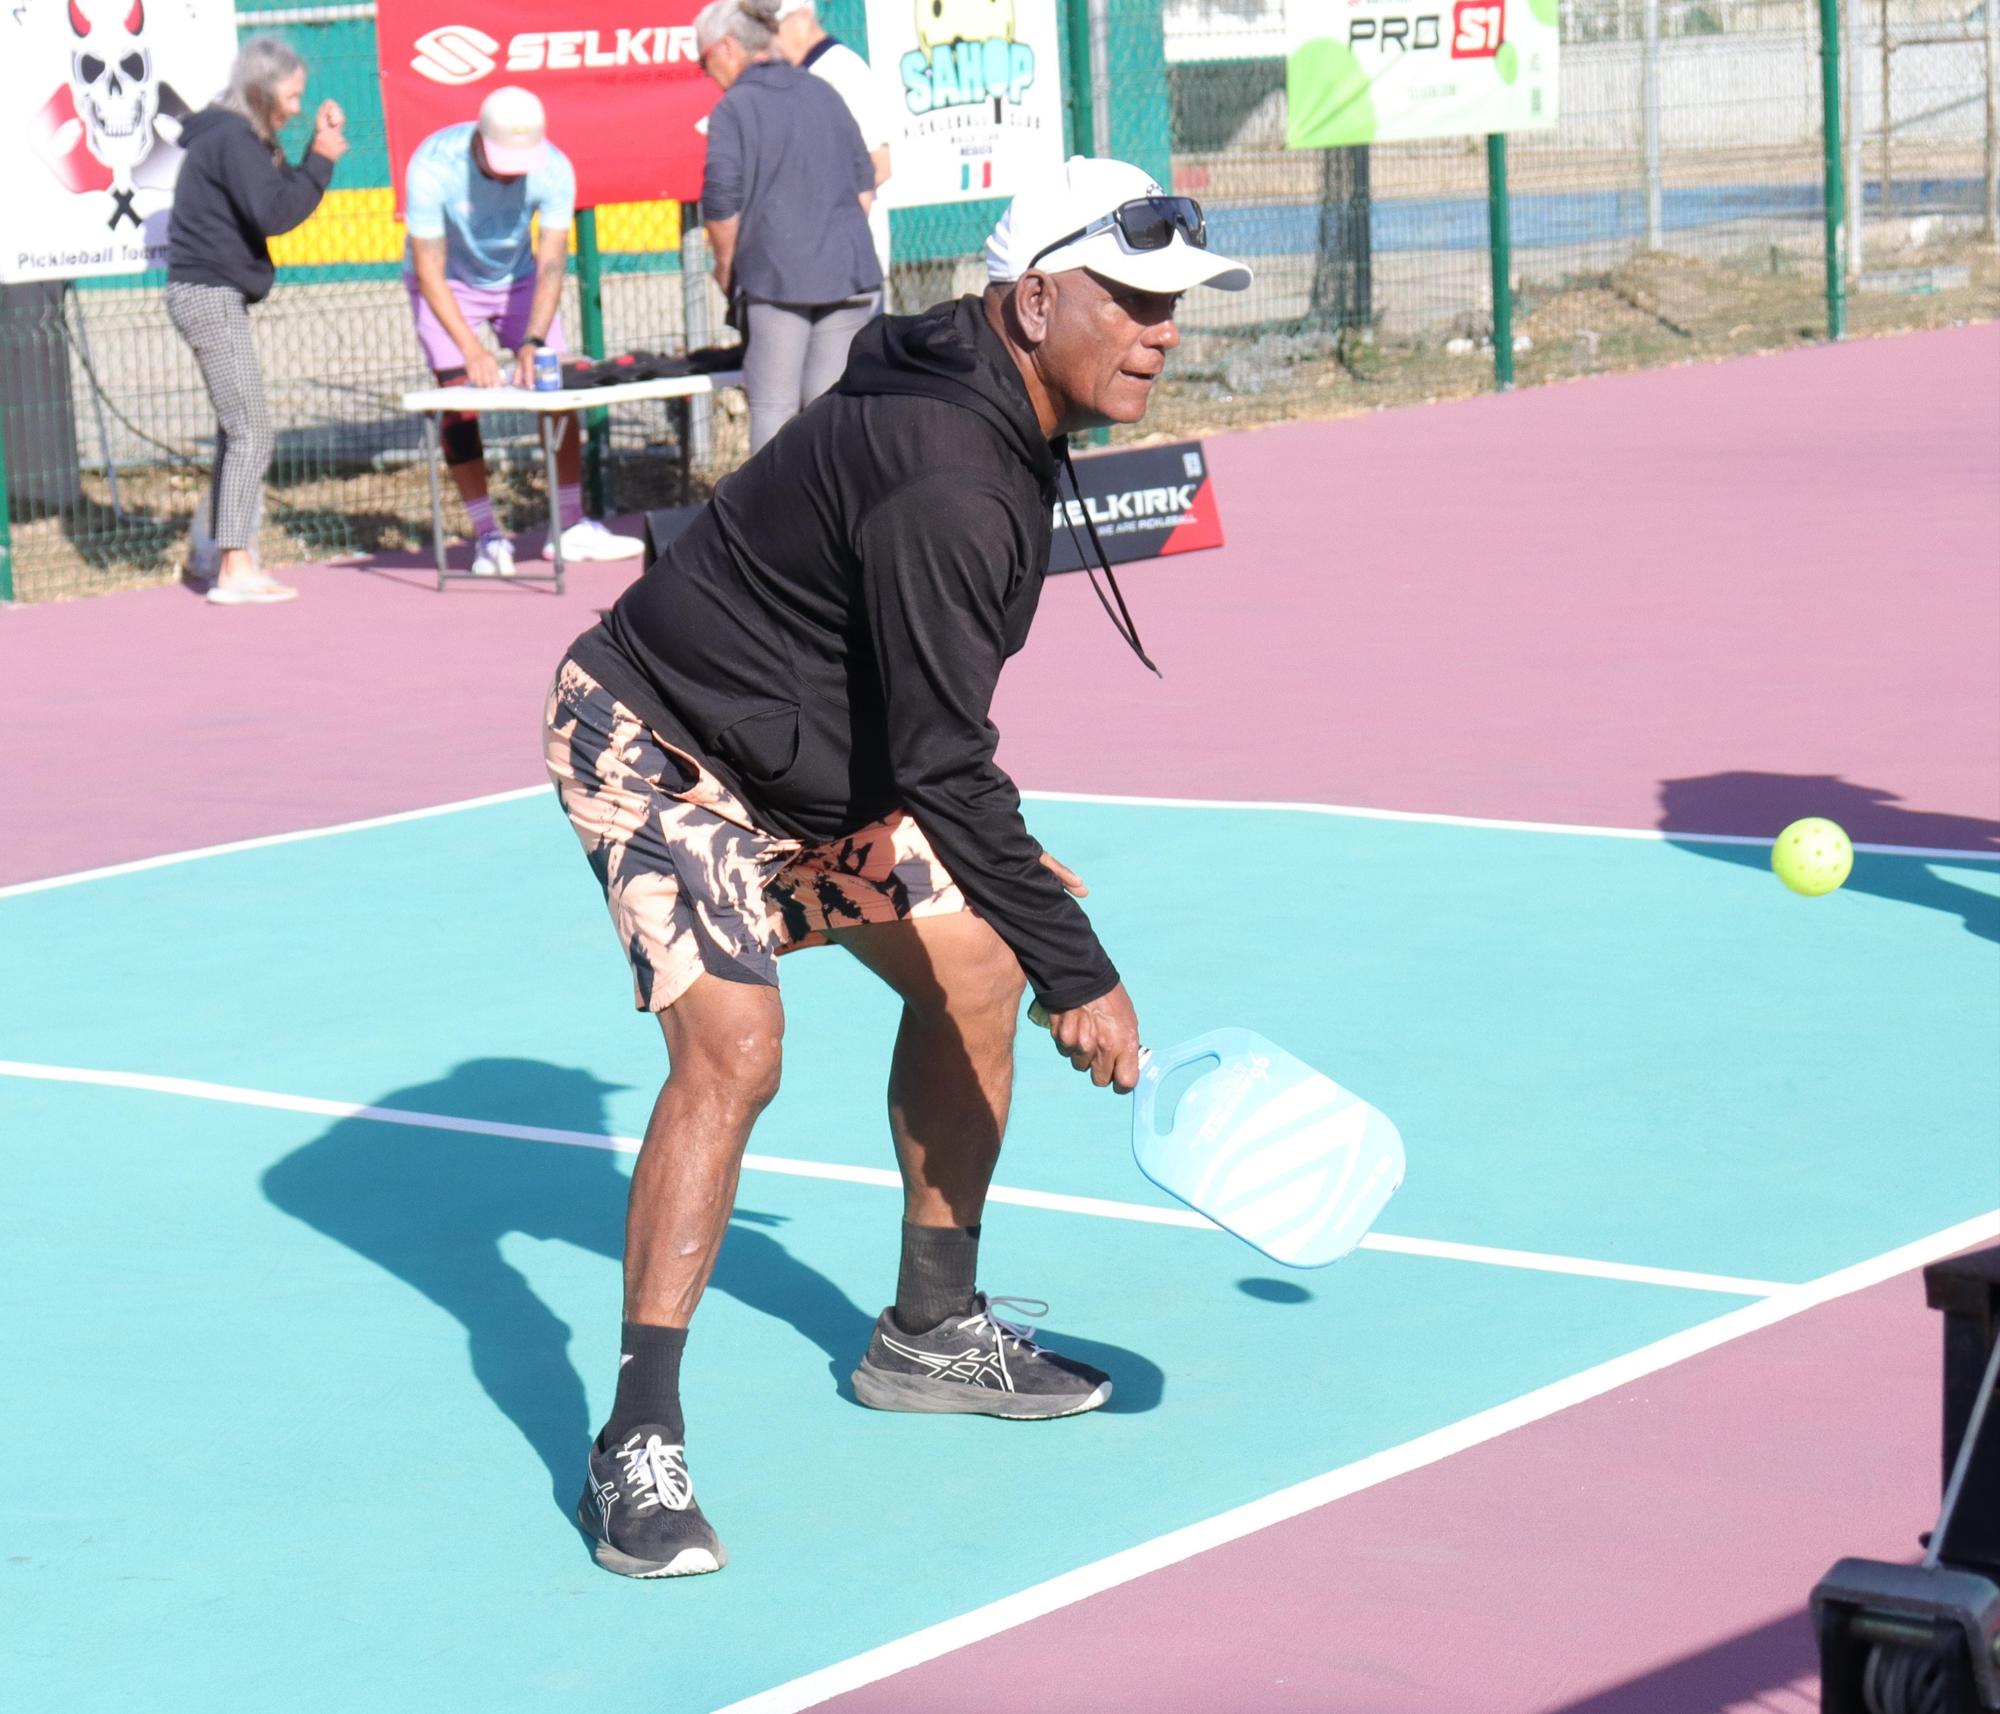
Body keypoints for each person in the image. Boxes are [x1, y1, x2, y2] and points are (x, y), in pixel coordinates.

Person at [544, 155, 1250, 1578]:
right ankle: (639, 1431)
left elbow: (924, 724)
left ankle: (930, 1328)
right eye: (1133, 299)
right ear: (1034, 297)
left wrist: (1006, 893)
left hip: (820, 766)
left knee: (975, 966)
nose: (1163, 328)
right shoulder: (950, 468)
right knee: (736, 1051)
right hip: (661, 739)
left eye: (1175, 302)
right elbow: (945, 754)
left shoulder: (1006, 413)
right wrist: (1085, 969)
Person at [403, 87, 641, 577]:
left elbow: (553, 258)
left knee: (553, 387)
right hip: (447, 281)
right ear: (480, 140)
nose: (513, 171)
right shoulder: (432, 164)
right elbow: (429, 268)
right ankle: (488, 536)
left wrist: (533, 340)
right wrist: (471, 351)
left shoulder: (554, 167)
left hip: (519, 279)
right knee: (457, 399)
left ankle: (570, 525)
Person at [167, 36, 346, 606]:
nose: (296, 108)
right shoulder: (233, 139)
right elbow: (275, 212)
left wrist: (313, 154)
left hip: (208, 293)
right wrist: (320, 158)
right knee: (250, 430)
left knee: (235, 429)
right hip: (210, 295)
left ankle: (221, 554)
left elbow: (272, 198)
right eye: (291, 96)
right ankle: (233, 567)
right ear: (263, 91)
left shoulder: (230, 137)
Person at [695, 0, 883, 453]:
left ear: (727, 47)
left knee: (774, 410)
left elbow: (721, 203)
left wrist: (726, 268)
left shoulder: (735, 108)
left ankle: (773, 523)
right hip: (849, 273)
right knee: (831, 413)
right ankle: (834, 521)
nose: (706, 73)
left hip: (776, 281)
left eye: (704, 62)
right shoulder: (822, 91)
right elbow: (864, 186)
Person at [769, 0, 893, 291]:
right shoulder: (801, 73)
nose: (770, 40)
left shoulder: (842, 70)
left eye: (774, 28)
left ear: (803, 17)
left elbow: (880, 164)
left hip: (849, 266)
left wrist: (817, 223)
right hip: (811, 264)